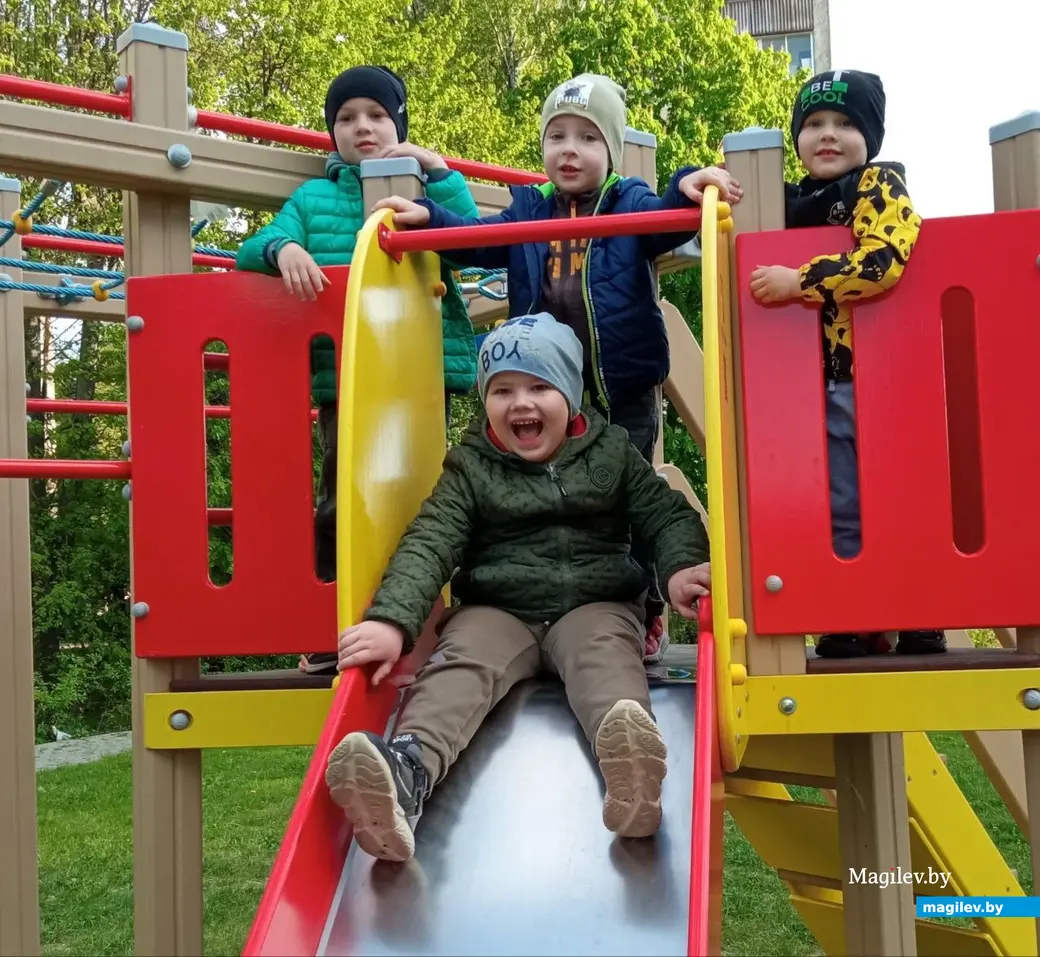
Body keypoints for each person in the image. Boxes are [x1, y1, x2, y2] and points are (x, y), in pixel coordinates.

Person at [369, 72, 740, 663]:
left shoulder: (628, 202)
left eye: (588, 139)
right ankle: (540, 602)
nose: (570, 150)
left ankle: (643, 610)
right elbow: (477, 240)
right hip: (547, 385)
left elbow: (667, 222)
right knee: (545, 487)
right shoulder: (530, 211)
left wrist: (686, 189)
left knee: (629, 495)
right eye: (557, 136)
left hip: (620, 386)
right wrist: (430, 222)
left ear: (611, 152)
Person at [324, 313, 711, 862]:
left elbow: (665, 514)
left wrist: (680, 568)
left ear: (571, 396)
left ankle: (632, 775)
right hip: (498, 609)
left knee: (603, 659)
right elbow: (430, 540)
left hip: (593, 603)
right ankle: (405, 776)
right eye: (502, 390)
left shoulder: (612, 454)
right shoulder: (471, 468)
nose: (519, 403)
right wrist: (392, 622)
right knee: (460, 666)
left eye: (539, 386)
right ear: (485, 401)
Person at [235, 65, 482, 673]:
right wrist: (283, 248)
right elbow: (252, 247)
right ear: (332, 132)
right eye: (347, 118)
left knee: (430, 496)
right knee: (341, 496)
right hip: (343, 378)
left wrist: (440, 173)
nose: (362, 127)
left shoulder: (422, 186)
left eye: (376, 115)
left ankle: (437, 618)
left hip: (420, 377)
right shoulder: (314, 200)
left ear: (398, 124)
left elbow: (473, 237)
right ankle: (332, 627)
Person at [748, 69, 945, 658]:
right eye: (813, 124)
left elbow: (884, 258)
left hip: (879, 374)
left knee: (898, 492)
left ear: (871, 135)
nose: (827, 135)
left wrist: (797, 281)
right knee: (838, 498)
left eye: (844, 123)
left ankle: (919, 614)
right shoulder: (783, 198)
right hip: (810, 383)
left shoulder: (878, 184)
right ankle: (848, 612)